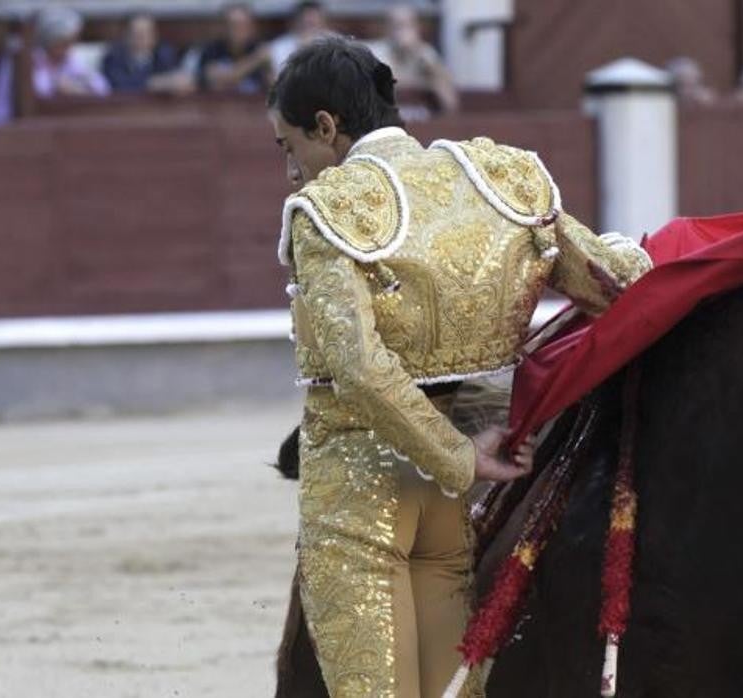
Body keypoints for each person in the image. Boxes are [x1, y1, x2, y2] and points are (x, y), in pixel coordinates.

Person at [266, 37, 651, 698]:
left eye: (288, 145)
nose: (292, 168)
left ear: (326, 128)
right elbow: (612, 283)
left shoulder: (332, 208)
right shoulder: (500, 179)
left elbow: (358, 366)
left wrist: (461, 455)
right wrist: (651, 257)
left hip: (362, 494)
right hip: (448, 506)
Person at [378, 4, 459, 115]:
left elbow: (450, 102)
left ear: (417, 29)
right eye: (398, 26)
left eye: (409, 26)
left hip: (422, 118)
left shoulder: (425, 52)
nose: (403, 32)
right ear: (387, 30)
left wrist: (423, 61)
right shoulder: (380, 52)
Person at [100, 12, 188, 94]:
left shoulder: (165, 54)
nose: (141, 37)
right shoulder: (113, 57)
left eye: (146, 33)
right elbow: (117, 85)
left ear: (155, 35)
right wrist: (153, 83)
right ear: (126, 35)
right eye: (136, 33)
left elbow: (180, 79)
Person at [196, 2, 270, 94]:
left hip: (253, 105)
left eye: (244, 25)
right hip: (218, 105)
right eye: (234, 25)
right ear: (223, 27)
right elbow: (222, 78)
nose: (239, 30)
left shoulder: (258, 48)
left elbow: (272, 84)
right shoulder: (211, 49)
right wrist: (256, 59)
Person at [269, 0, 330, 76]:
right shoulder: (279, 46)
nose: (310, 28)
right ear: (297, 21)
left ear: (323, 21)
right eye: (307, 23)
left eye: (313, 23)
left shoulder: (336, 44)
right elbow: (276, 78)